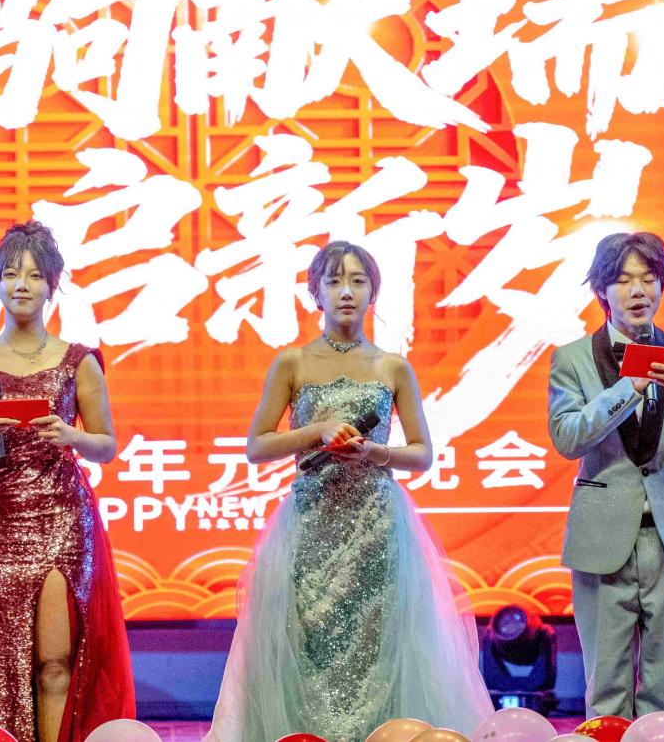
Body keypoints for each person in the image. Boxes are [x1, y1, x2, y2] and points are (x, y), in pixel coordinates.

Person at [207, 241, 493, 742]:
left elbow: (422, 453)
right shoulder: (293, 362)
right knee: (308, 646)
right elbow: (257, 446)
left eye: (358, 281)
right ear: (315, 292)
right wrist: (316, 432)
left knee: (380, 646)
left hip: (376, 526)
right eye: (335, 281)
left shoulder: (392, 367)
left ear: (372, 293)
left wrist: (376, 453)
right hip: (311, 526)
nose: (346, 292)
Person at [0, 221, 134, 742]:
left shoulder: (79, 361)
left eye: (33, 275)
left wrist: (70, 435)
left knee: (55, 661)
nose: (21, 285)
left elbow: (106, 445)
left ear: (52, 284)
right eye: (10, 274)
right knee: (2, 658)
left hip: (61, 515)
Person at [546, 231, 664, 718]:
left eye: (649, 279)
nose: (638, 291)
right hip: (603, 535)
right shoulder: (572, 359)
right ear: (601, 290)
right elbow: (567, 439)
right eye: (624, 280)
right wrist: (624, 389)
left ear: (662, 286)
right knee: (606, 688)